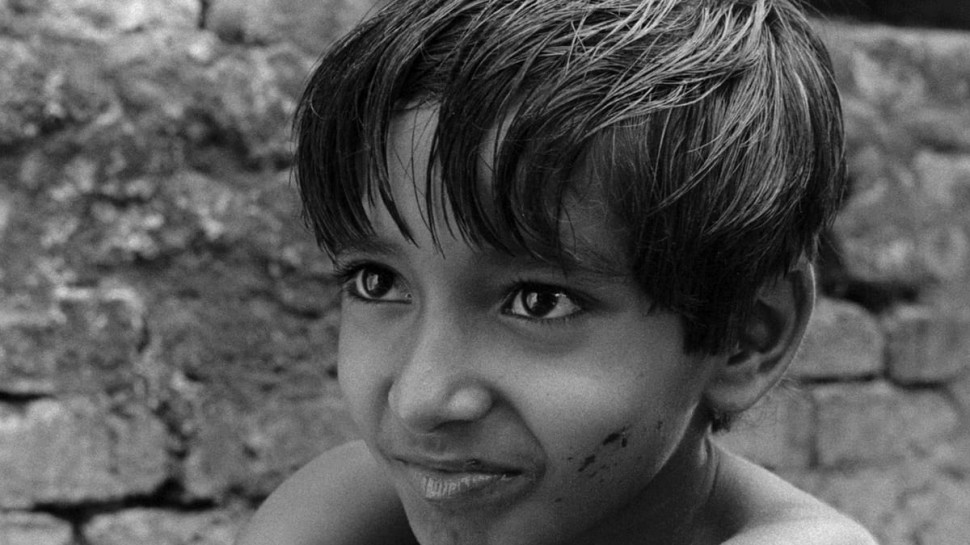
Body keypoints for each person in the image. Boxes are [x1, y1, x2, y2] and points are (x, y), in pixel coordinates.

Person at [237, 0, 878, 543]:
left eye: (539, 300)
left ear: (744, 336)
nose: (420, 400)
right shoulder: (343, 513)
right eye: (376, 281)